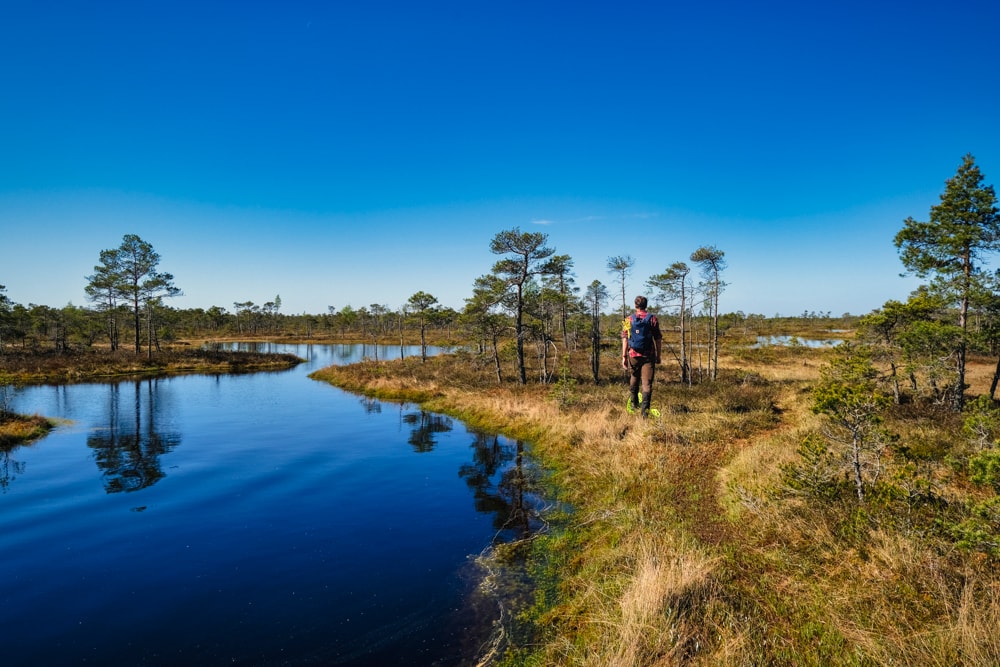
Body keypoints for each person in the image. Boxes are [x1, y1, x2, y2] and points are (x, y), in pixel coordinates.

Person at [621, 295, 662, 417]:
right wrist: (658, 355)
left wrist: (624, 356)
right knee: (647, 383)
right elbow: (658, 339)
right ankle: (645, 413)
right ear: (646, 305)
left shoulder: (629, 319)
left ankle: (634, 404)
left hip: (633, 354)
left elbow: (625, 339)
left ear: (635, 305)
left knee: (634, 377)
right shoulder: (652, 319)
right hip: (648, 355)